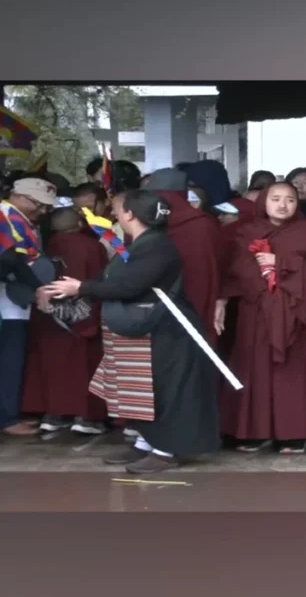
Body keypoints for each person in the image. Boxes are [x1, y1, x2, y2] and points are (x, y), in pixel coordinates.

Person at [41, 189, 221, 474]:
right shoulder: (141, 243)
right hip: (148, 329)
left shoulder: (156, 246)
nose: (113, 214)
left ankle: (166, 450)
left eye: (117, 209)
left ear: (130, 214)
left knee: (165, 390)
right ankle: (146, 443)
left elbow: (129, 286)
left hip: (167, 329)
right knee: (145, 390)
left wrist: (81, 287)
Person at [217, 182, 306, 454]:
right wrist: (221, 300)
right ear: (264, 202)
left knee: (294, 375)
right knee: (255, 371)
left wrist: (282, 263)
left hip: (297, 313)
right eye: (275, 199)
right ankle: (256, 432)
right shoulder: (245, 232)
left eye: (290, 199)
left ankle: (296, 433)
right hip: (258, 313)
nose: (283, 205)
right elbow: (232, 273)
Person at [21, 208, 109, 434]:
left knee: (51, 365)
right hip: (82, 312)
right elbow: (100, 279)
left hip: (48, 313)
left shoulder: (42, 246)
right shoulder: (92, 246)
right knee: (84, 365)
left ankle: (53, 415)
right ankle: (85, 417)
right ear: (80, 223)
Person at [0, 178, 58, 436]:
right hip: (6, 303)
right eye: (40, 205)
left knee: (13, 358)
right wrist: (36, 288)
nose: (44, 212)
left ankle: (9, 415)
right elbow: (10, 259)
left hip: (14, 302)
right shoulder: (4, 216)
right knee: (8, 359)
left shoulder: (22, 219)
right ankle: (7, 419)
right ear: (21, 197)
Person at [145, 169, 222, 343]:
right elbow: (218, 263)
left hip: (154, 302)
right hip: (199, 299)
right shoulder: (204, 223)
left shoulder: (144, 221)